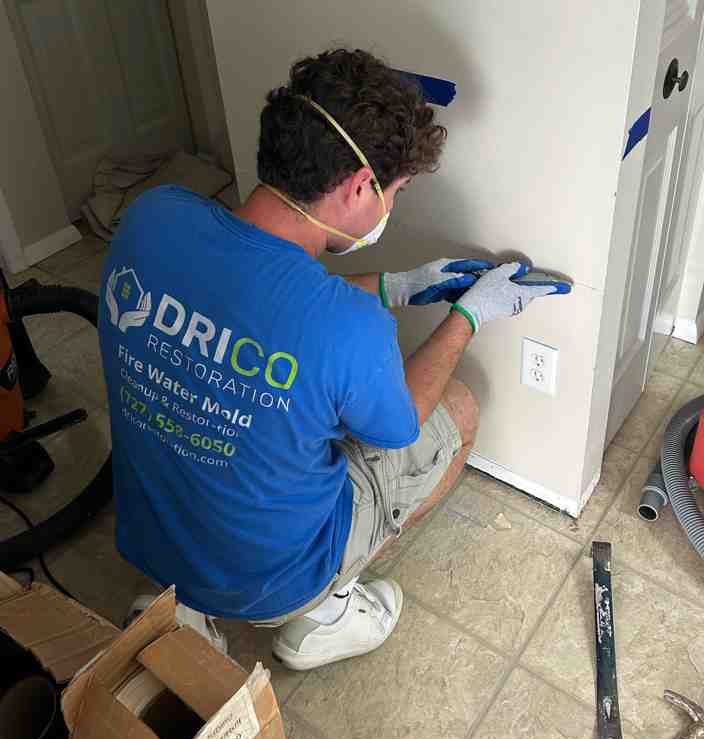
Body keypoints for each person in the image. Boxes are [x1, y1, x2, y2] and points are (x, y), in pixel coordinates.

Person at [98, 48, 567, 670]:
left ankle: (181, 610)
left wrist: (397, 286)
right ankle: (323, 615)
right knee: (456, 408)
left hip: (151, 537)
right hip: (271, 580)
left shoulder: (153, 218)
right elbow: (401, 423)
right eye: (393, 191)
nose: (390, 207)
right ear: (356, 188)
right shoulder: (349, 329)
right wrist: (469, 316)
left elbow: (261, 303)